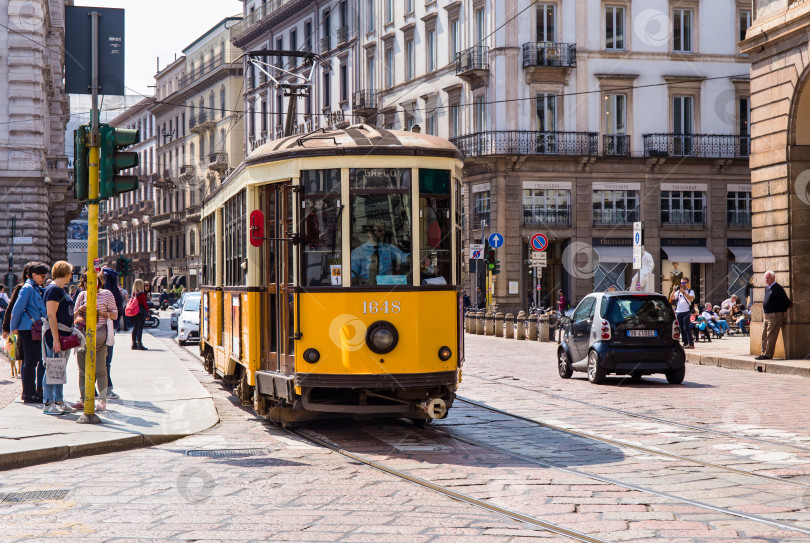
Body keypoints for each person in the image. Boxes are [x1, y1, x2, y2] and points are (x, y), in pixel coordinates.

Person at [72, 272, 118, 410]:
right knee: (82, 370)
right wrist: (80, 310)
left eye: (93, 281)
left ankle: (102, 401)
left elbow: (114, 315)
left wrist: (100, 313)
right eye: (86, 282)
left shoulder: (107, 294)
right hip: (83, 336)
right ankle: (84, 399)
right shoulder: (82, 295)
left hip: (100, 337)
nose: (90, 285)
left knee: (101, 370)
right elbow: (72, 316)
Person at [42, 261, 79, 415]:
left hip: (63, 333)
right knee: (53, 368)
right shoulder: (53, 290)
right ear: (64, 272)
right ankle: (48, 403)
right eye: (70, 272)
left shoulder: (60, 290)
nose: (71, 274)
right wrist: (56, 339)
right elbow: (51, 315)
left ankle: (59, 400)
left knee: (59, 368)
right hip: (55, 334)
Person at [10, 262, 49, 403]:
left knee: (33, 361)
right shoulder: (27, 288)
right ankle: (28, 393)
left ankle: (31, 392)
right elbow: (17, 309)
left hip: (35, 329)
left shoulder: (35, 288)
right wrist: (13, 327)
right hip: (29, 329)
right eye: (42, 276)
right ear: (34, 275)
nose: (44, 278)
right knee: (30, 362)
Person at [757, 270, 792, 360]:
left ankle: (768, 354)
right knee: (763, 335)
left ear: (773, 278)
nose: (766, 280)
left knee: (770, 336)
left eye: (768, 278)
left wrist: (783, 311)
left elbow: (786, 301)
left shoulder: (778, 288)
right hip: (767, 315)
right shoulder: (767, 288)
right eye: (765, 278)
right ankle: (763, 352)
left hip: (775, 315)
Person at [101, 267, 124, 400]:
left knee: (94, 361)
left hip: (95, 330)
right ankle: (107, 389)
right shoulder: (113, 293)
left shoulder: (93, 292)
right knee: (106, 361)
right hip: (109, 330)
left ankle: (91, 391)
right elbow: (118, 312)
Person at [670, 277, 695, 349]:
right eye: (681, 283)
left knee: (686, 327)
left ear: (687, 283)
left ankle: (691, 343)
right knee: (681, 328)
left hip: (686, 311)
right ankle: (685, 343)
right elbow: (672, 298)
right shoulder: (678, 292)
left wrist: (683, 292)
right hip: (678, 312)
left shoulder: (690, 291)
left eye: (684, 283)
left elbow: (691, 298)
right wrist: (673, 291)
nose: (682, 284)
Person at [130, 278, 149, 351]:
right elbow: (145, 304)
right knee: (140, 328)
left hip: (134, 312)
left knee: (135, 327)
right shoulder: (142, 294)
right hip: (140, 312)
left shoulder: (133, 293)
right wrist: (147, 313)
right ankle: (139, 344)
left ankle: (133, 344)